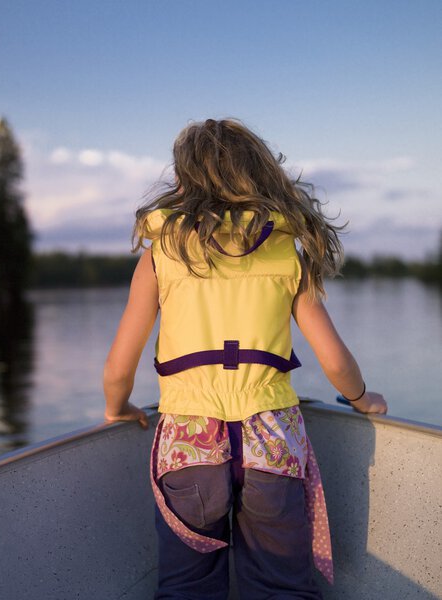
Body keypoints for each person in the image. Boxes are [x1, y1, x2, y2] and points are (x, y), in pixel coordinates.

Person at [103, 118, 387, 600]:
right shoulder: (284, 252)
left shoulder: (162, 251)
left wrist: (117, 407)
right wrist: (361, 398)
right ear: (258, 174)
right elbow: (335, 359)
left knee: (186, 588)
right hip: (271, 439)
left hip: (189, 441)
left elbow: (118, 366)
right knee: (280, 587)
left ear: (184, 180)